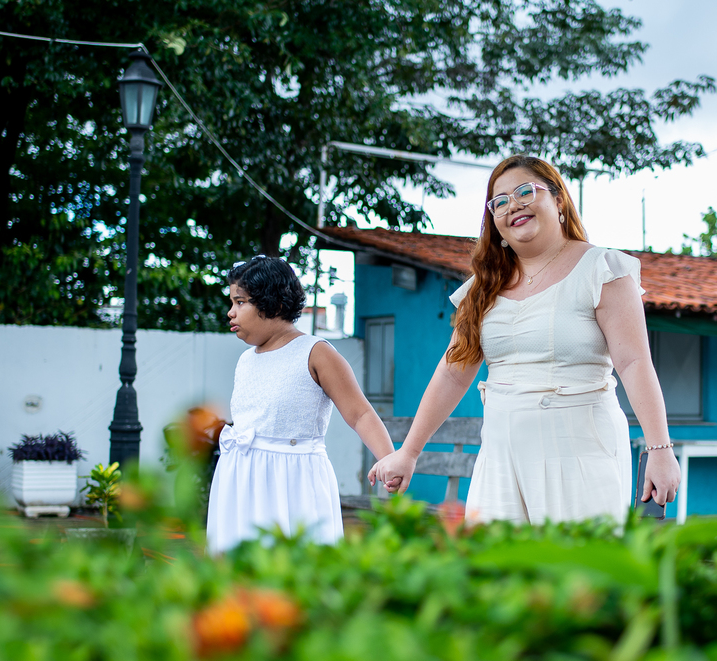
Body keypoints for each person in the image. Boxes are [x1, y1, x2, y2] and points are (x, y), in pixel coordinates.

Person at [368, 154, 680, 524]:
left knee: (576, 558)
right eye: (499, 202)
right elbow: (453, 373)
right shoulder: (482, 289)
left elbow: (634, 363)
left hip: (581, 452)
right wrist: (409, 451)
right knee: (496, 558)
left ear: (558, 200)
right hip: (500, 457)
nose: (513, 205)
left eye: (525, 192)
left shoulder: (603, 269)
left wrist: (660, 449)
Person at [207, 256, 396, 552]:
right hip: (242, 477)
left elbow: (359, 413)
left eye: (240, 302)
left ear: (274, 304)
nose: (231, 312)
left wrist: (389, 459)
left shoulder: (316, 352)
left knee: (294, 562)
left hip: (293, 479)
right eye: (232, 303)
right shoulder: (245, 360)